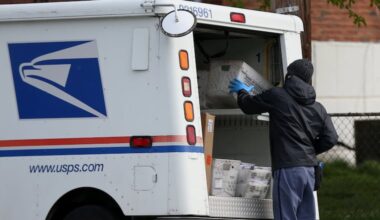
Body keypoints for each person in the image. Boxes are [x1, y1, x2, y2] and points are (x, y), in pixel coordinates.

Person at [229, 59, 338, 220]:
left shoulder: (277, 96)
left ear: (290, 75)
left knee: (285, 216)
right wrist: (309, 150)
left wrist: (242, 91)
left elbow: (248, 106)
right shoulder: (318, 108)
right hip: (310, 171)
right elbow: (331, 138)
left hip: (288, 169)